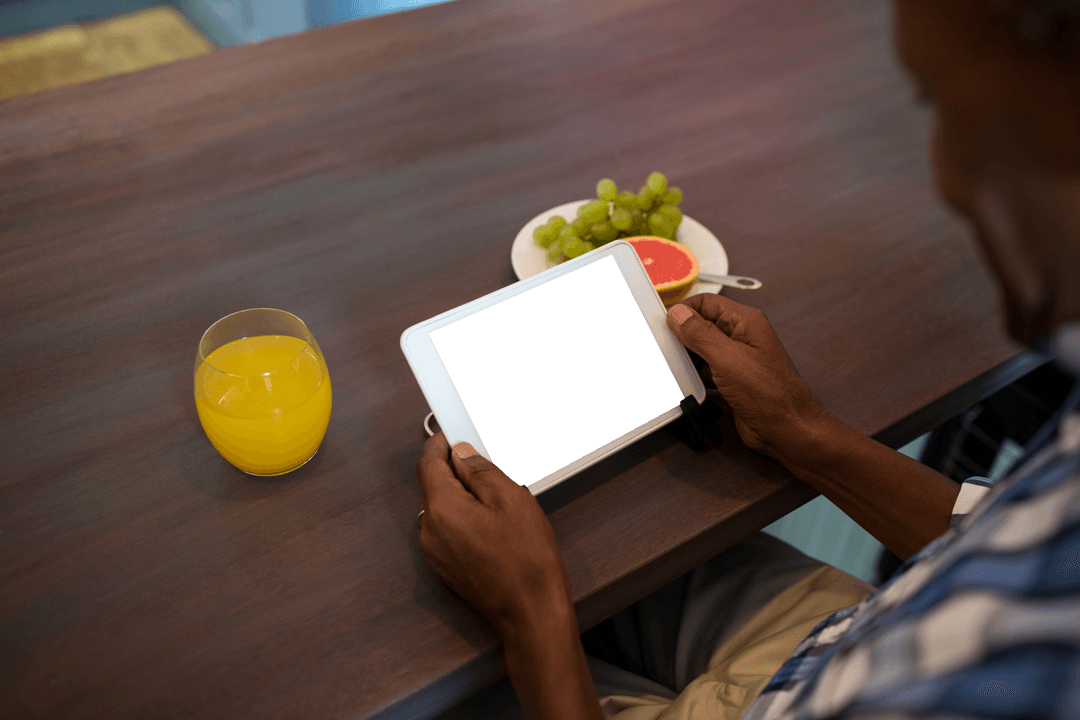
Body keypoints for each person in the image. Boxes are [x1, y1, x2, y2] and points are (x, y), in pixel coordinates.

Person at [415, 0, 1080, 717]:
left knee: (436, 679)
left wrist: (531, 615)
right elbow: (1007, 539)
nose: (946, 178)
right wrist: (805, 434)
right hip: (845, 643)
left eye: (964, 118)